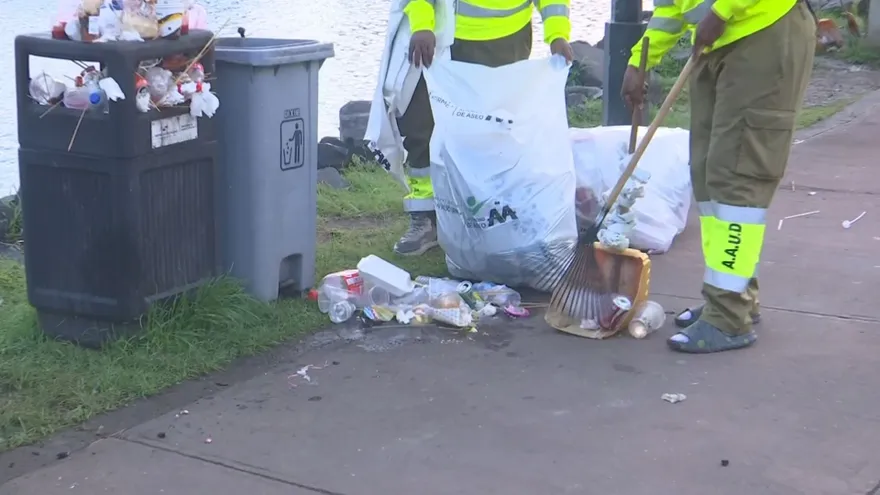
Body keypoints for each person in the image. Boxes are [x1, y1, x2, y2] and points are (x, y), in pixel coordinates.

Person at [620, 0, 815, 353]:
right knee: (707, 175)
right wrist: (640, 61)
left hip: (762, 29)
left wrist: (723, 11)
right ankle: (731, 294)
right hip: (714, 41)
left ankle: (728, 314)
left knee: (738, 175)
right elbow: (671, 7)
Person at [393, 0, 574, 256]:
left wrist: (557, 33)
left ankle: (491, 217)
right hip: (443, 36)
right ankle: (426, 217)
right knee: (423, 120)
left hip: (508, 39)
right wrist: (422, 24)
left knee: (496, 129)